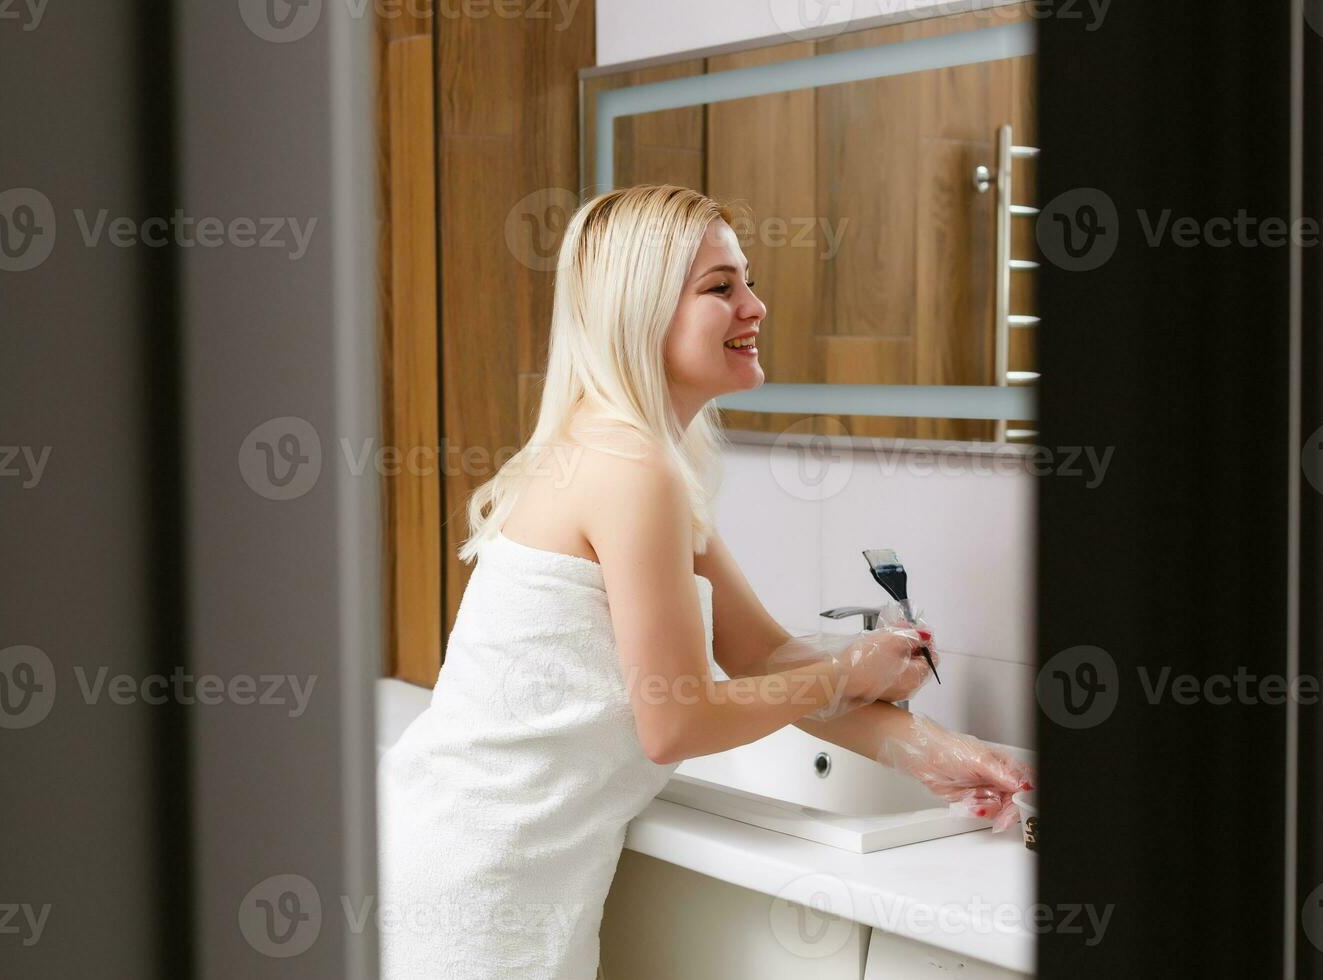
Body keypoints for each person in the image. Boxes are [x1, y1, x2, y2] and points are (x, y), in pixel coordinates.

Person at [376, 184, 1034, 979]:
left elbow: (761, 658)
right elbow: (676, 724)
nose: (755, 306)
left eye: (747, 280)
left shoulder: (637, 454)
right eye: (720, 287)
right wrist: (851, 670)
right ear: (640, 310)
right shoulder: (629, 467)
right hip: (479, 885)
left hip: (468, 852)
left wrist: (940, 754)